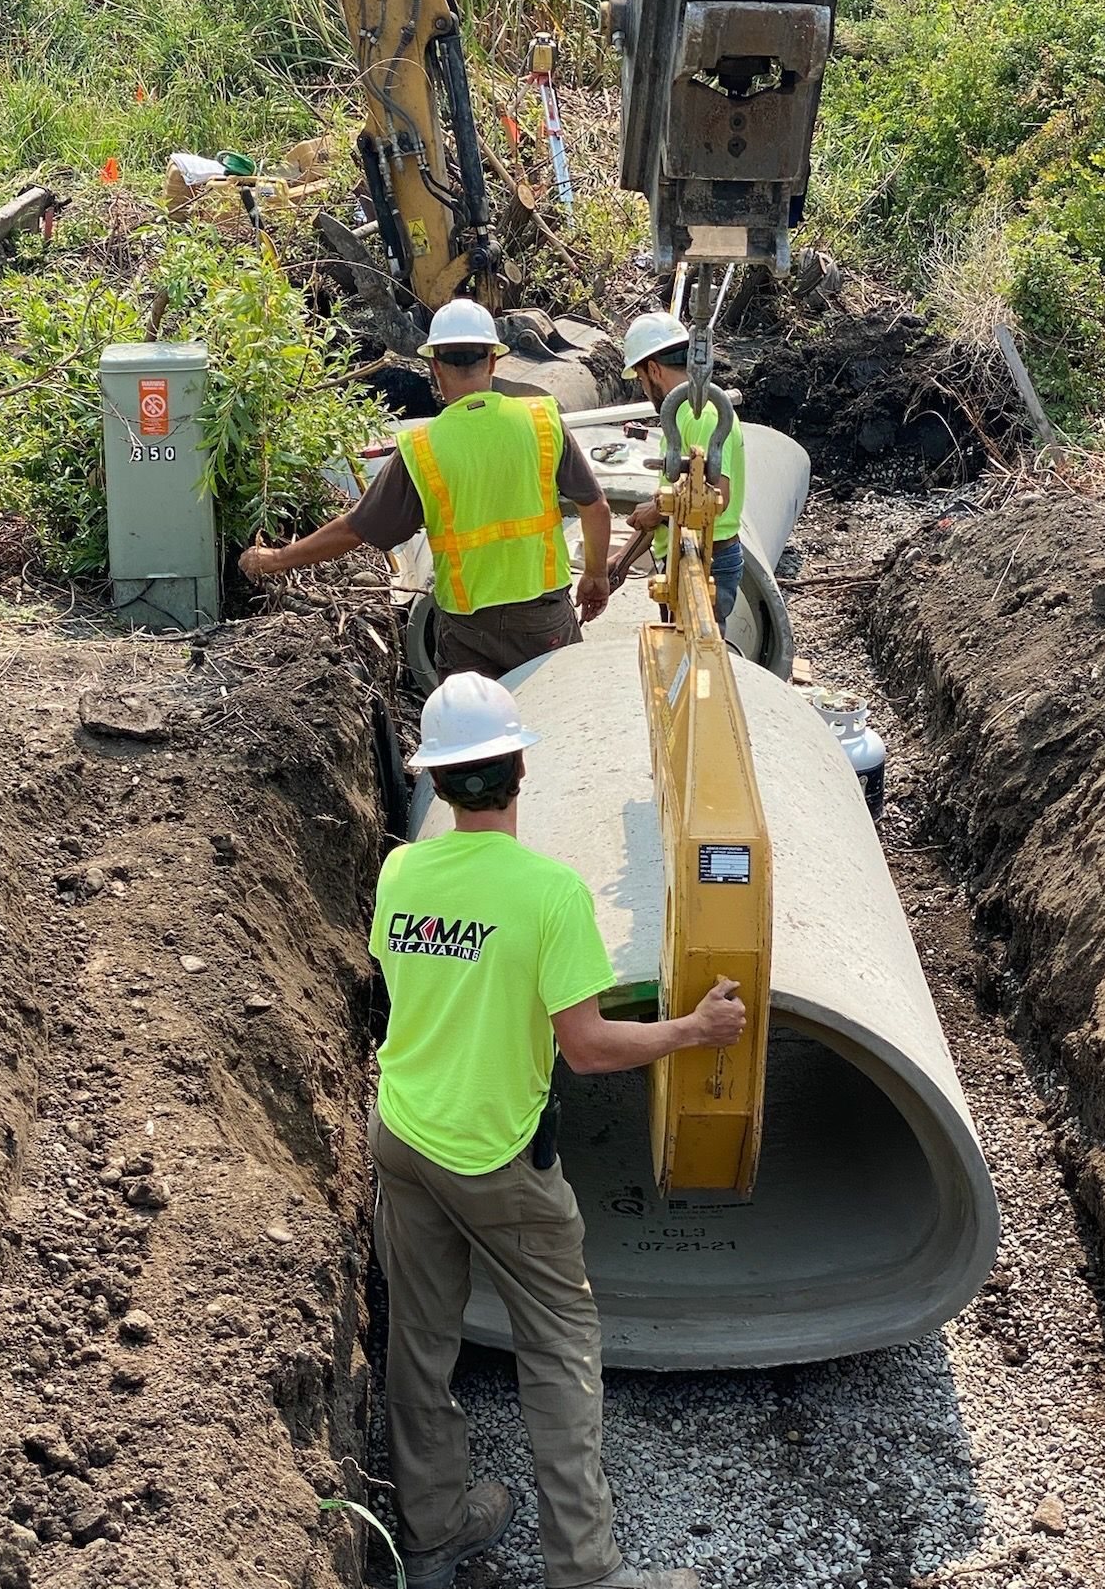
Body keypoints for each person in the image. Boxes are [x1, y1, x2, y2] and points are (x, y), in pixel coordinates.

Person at [369, 673, 746, 1589]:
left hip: (405, 1136)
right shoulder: (547, 893)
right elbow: (586, 1046)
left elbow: (409, 982)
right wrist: (694, 1032)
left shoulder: (401, 869)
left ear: (439, 781)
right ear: (521, 768)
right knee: (561, 1345)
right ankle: (584, 1568)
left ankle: (432, 1536)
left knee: (419, 1341)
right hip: (495, 1156)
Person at [239, 299, 613, 680]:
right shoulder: (541, 420)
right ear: (494, 361)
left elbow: (357, 529)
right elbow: (596, 507)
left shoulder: (422, 448)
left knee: (469, 730)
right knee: (557, 720)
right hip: (542, 617)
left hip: (470, 629)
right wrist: (596, 575)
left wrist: (276, 559)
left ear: (434, 366)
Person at [620, 312, 747, 627]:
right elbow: (676, 502)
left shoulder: (700, 415)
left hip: (707, 560)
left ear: (653, 369)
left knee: (698, 658)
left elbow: (718, 497)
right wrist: (618, 563)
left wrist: (658, 511)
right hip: (687, 552)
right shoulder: (680, 413)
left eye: (640, 379)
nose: (644, 389)